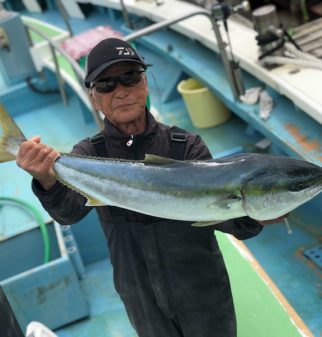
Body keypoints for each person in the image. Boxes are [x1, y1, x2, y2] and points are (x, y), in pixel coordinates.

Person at [16, 38, 281, 337]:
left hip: (201, 289)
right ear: (94, 98)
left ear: (145, 83)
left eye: (130, 77)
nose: (121, 91)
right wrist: (48, 181)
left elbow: (225, 215)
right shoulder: (88, 155)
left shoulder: (185, 146)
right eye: (106, 84)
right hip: (139, 295)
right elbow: (69, 213)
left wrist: (253, 215)